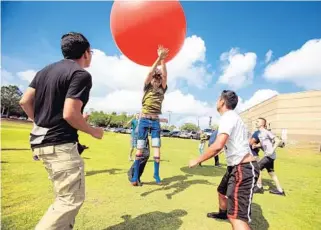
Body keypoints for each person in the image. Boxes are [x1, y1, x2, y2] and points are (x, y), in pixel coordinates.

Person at [19, 32, 104, 230]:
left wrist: (43, 122)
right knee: (69, 201)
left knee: (63, 197)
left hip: (42, 144)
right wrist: (93, 131)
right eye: (90, 52)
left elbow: (24, 101)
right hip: (60, 145)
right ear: (86, 53)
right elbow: (69, 114)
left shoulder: (44, 71)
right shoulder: (80, 74)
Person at [189, 90, 259, 230]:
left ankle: (230, 215)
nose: (216, 102)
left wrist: (197, 160)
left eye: (217, 99)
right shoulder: (233, 117)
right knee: (222, 191)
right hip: (235, 166)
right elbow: (231, 143)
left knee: (237, 218)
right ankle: (223, 213)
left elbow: (218, 144)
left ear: (222, 102)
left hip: (243, 168)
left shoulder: (228, 117)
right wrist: (223, 150)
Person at [131, 45, 169, 186]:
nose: (157, 77)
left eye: (159, 76)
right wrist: (158, 58)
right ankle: (135, 176)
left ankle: (156, 174)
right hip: (144, 120)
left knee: (157, 149)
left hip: (155, 122)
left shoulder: (162, 89)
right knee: (140, 149)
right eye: (156, 76)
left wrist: (163, 61)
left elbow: (165, 75)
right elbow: (150, 72)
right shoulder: (147, 86)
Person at [252, 118, 285, 196]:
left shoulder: (266, 132)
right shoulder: (260, 134)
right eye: (256, 121)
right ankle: (280, 191)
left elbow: (278, 140)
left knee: (257, 168)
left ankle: (259, 187)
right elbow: (263, 143)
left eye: (258, 122)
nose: (256, 123)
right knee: (271, 173)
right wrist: (256, 145)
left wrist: (272, 150)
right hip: (270, 156)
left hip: (269, 156)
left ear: (262, 124)